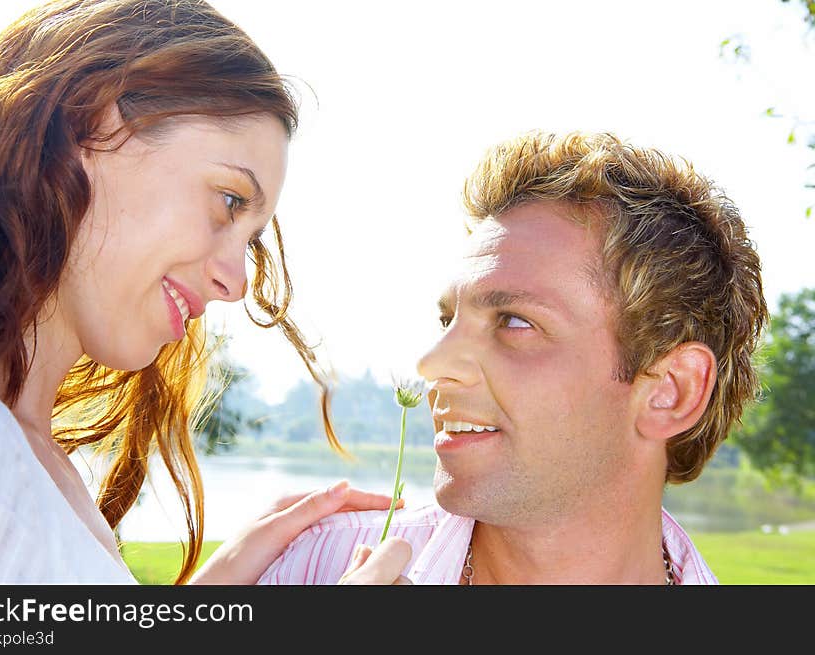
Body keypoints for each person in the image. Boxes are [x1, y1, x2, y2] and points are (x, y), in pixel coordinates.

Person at [0, 0, 411, 585]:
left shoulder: (27, 454)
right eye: (230, 201)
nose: (235, 283)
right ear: (92, 124)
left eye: (251, 240)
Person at [257, 130, 768, 585]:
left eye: (515, 322)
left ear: (670, 391)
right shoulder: (313, 568)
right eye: (447, 321)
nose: (433, 362)